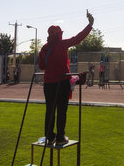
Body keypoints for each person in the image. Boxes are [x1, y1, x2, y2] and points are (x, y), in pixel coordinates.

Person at [38, 11, 94, 146]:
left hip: (48, 84)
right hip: (61, 83)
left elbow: (41, 66)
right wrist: (90, 24)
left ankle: (49, 136)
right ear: (58, 35)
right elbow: (78, 38)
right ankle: (60, 137)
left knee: (50, 110)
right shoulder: (62, 45)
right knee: (62, 110)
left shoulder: (44, 48)